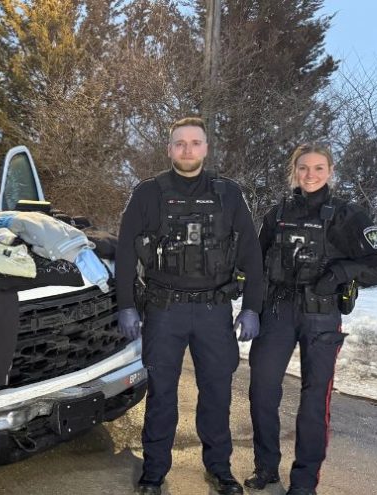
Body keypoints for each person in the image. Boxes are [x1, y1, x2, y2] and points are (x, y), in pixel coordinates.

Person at [116, 117, 264, 495]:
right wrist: (126, 306)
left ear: (206, 148)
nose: (187, 149)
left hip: (215, 312)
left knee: (216, 393)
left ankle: (219, 469)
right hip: (164, 311)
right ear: (169, 149)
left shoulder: (229, 194)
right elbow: (124, 253)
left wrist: (251, 308)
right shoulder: (148, 193)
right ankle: (154, 471)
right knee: (162, 395)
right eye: (179, 143)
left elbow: (251, 253)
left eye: (195, 143)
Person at [245, 143, 377, 495]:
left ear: (330, 171)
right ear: (293, 171)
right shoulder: (278, 212)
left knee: (315, 400)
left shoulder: (349, 215)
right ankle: (266, 467)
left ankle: (304, 483)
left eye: (318, 168)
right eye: (303, 168)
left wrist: (341, 272)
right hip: (277, 311)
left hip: (321, 314)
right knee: (262, 392)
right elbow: (254, 263)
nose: (310, 175)